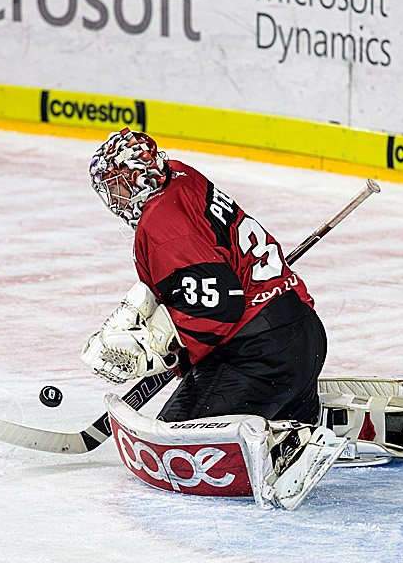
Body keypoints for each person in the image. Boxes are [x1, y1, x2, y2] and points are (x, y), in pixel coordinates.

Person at [81, 127, 327, 427]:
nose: (113, 198)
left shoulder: (162, 224)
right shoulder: (179, 175)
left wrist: (155, 347)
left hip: (258, 358)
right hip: (303, 334)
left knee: (176, 452)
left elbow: (219, 305)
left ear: (136, 180)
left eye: (115, 185)